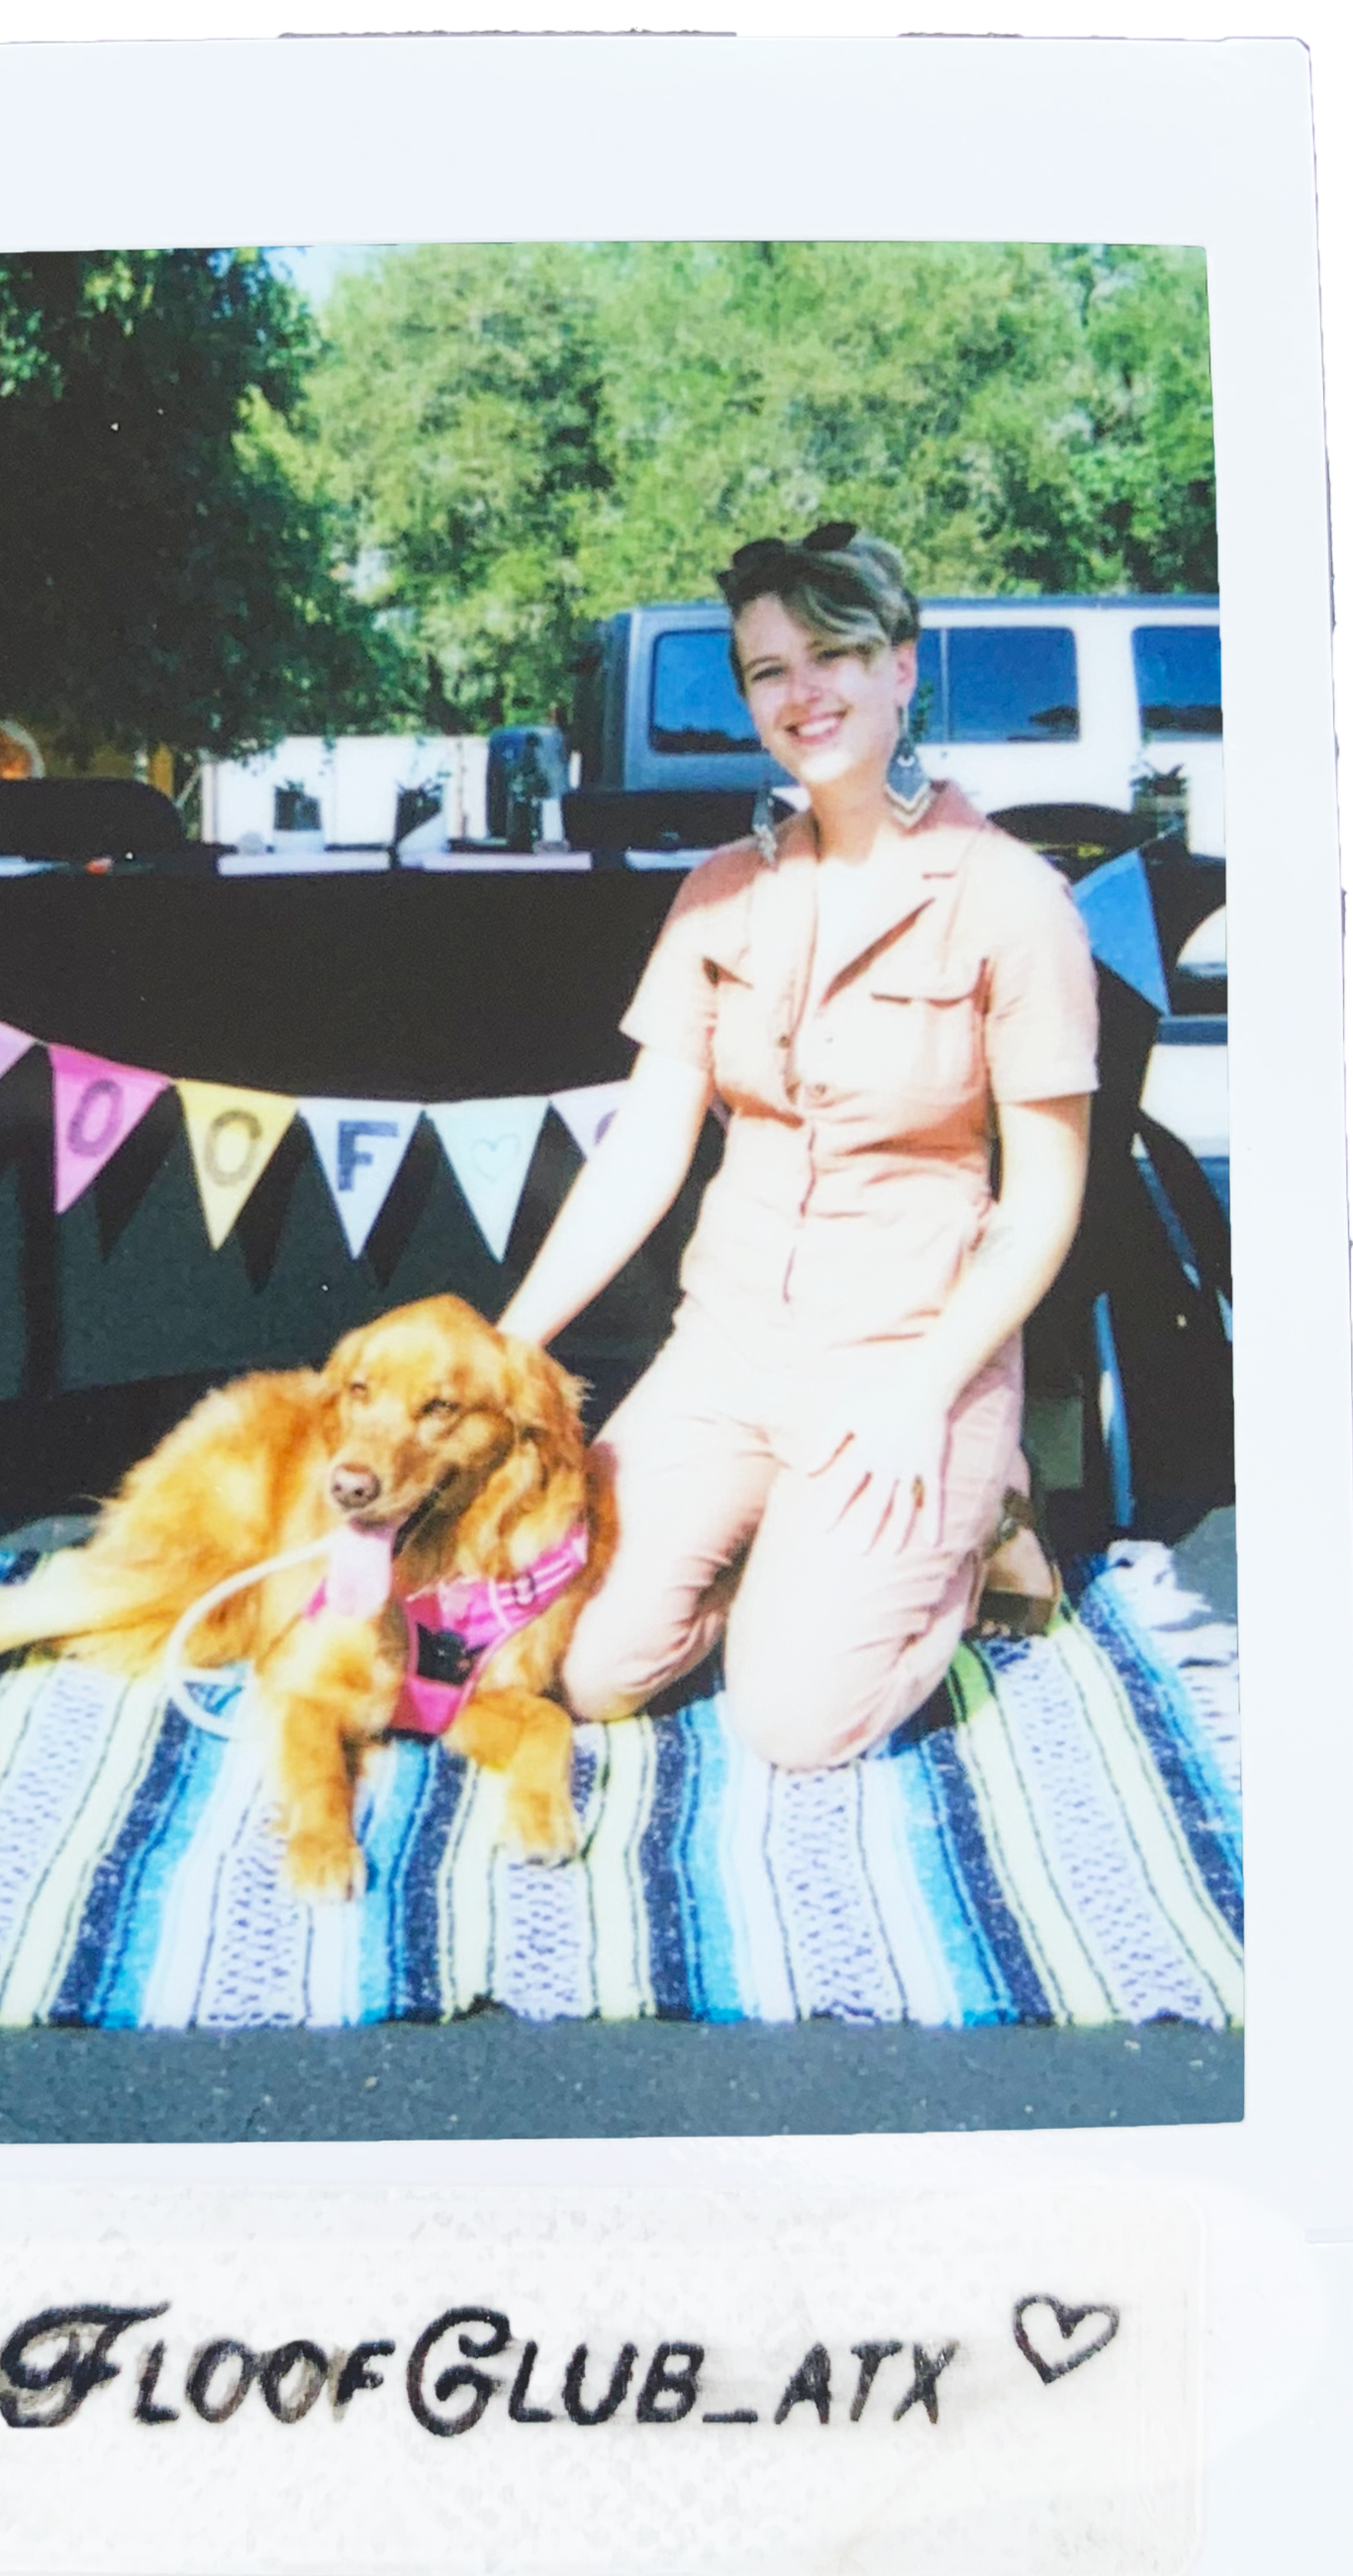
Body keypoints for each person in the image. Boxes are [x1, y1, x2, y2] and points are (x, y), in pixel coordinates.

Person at [497, 525, 1098, 1769]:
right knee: (584, 1668)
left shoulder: (1009, 898)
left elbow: (1043, 1205)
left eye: (835, 653)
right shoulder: (721, 890)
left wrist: (919, 1397)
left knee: (793, 1724)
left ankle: (979, 1527)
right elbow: (645, 1151)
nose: (803, 692)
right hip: (725, 1357)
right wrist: (510, 1345)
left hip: (905, 1361)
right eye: (769, 669)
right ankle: (796, 1550)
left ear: (902, 669)